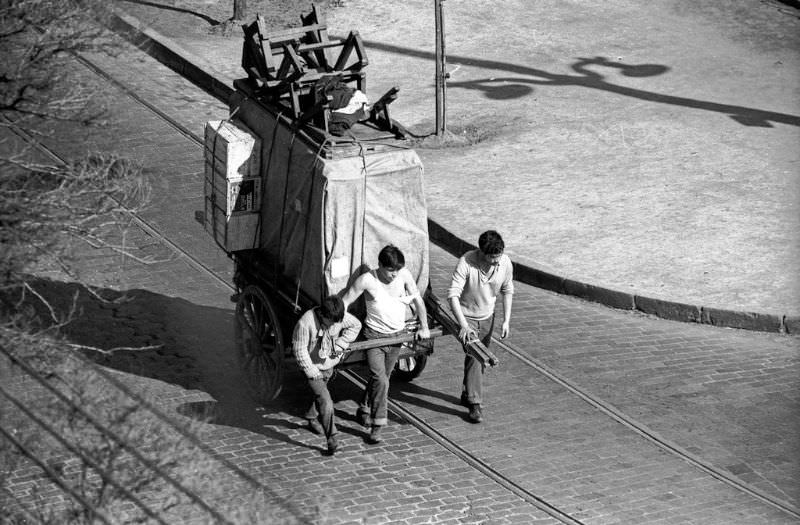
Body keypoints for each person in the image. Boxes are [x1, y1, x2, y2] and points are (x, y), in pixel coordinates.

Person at [342, 245, 431, 444]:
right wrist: (340, 328)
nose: (394, 275)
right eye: (390, 270)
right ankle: (377, 424)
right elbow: (345, 303)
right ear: (380, 266)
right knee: (380, 379)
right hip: (374, 338)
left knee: (384, 377)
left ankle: (364, 406)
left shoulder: (404, 275)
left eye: (397, 270)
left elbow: (418, 302)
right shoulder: (367, 280)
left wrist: (424, 326)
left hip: (397, 337)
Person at [447, 230, 513, 423]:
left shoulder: (505, 263)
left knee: (477, 357)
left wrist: (506, 320)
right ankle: (475, 403)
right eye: (492, 258)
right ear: (481, 252)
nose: (496, 261)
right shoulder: (466, 262)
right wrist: (464, 325)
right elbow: (453, 295)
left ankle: (467, 392)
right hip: (467, 318)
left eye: (498, 257)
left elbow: (507, 290)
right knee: (477, 357)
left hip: (488, 316)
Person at [292, 295, 361, 455]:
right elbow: (299, 350)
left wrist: (341, 344)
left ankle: (310, 415)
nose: (335, 326)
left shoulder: (337, 318)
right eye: (332, 322)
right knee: (326, 401)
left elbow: (355, 325)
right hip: (313, 367)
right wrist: (311, 371)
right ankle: (332, 439)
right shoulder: (305, 323)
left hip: (328, 364)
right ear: (323, 315)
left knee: (320, 398)